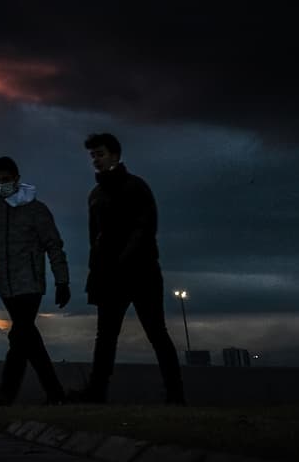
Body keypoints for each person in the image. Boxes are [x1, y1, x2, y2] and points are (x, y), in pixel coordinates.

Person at [75, 132, 185, 405]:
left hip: (141, 273)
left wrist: (120, 261)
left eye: (100, 154)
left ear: (115, 154)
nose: (96, 160)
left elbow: (145, 229)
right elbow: (94, 239)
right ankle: (96, 392)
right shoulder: (96, 195)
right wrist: (96, 272)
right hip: (110, 276)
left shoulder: (136, 187)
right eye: (93, 156)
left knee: (156, 333)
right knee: (106, 336)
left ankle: (175, 395)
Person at [0, 156, 69, 406]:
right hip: (7, 287)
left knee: (21, 335)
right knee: (28, 338)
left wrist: (61, 281)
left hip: (31, 284)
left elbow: (54, 245)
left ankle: (7, 391)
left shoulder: (36, 210)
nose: (2, 185)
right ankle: (55, 393)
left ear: (17, 178)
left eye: (6, 179)